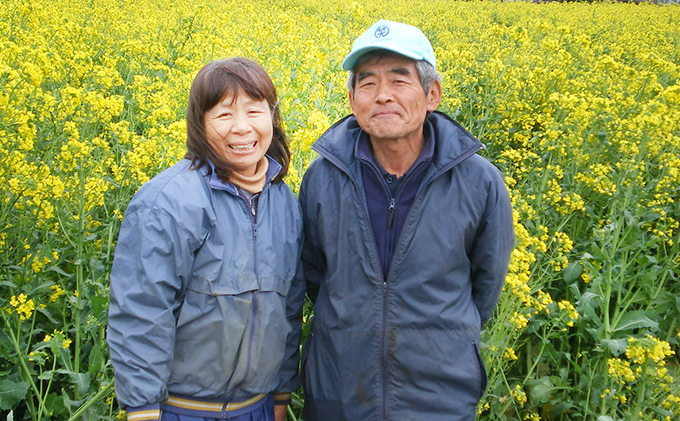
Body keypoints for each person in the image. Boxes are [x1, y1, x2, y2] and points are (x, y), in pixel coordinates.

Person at [299, 20, 515, 420]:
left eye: (399, 81)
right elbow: (314, 275)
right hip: (339, 394)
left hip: (439, 398)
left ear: (432, 94)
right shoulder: (323, 177)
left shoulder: (480, 181)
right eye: (367, 83)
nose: (382, 96)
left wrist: (438, 336)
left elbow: (484, 288)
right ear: (351, 100)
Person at [107, 57, 304, 421]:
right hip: (180, 411)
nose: (242, 128)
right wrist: (143, 408)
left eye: (254, 111)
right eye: (224, 115)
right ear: (200, 123)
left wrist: (281, 396)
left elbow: (289, 311)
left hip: (257, 408)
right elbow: (142, 312)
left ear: (272, 118)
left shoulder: (286, 203)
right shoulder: (167, 201)